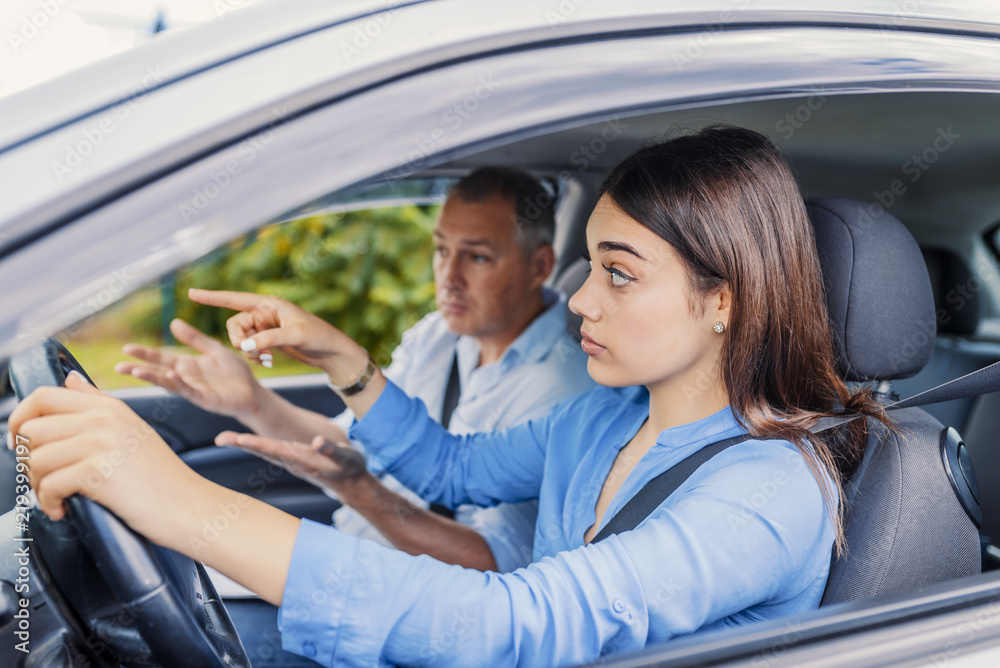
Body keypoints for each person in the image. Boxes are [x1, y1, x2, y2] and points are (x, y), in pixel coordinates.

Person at [10, 126, 886, 667]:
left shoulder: (767, 492)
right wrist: (345, 357)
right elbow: (449, 463)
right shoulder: (606, 418)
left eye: (618, 276)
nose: (579, 300)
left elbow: (514, 626)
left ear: (724, 299)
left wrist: (180, 501)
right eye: (591, 268)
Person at [114, 166, 594, 574]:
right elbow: (354, 445)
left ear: (539, 267)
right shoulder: (438, 336)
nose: (449, 278)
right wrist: (252, 401)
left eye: (478, 256)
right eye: (442, 249)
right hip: (356, 569)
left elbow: (495, 564)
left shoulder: (563, 388)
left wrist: (360, 491)